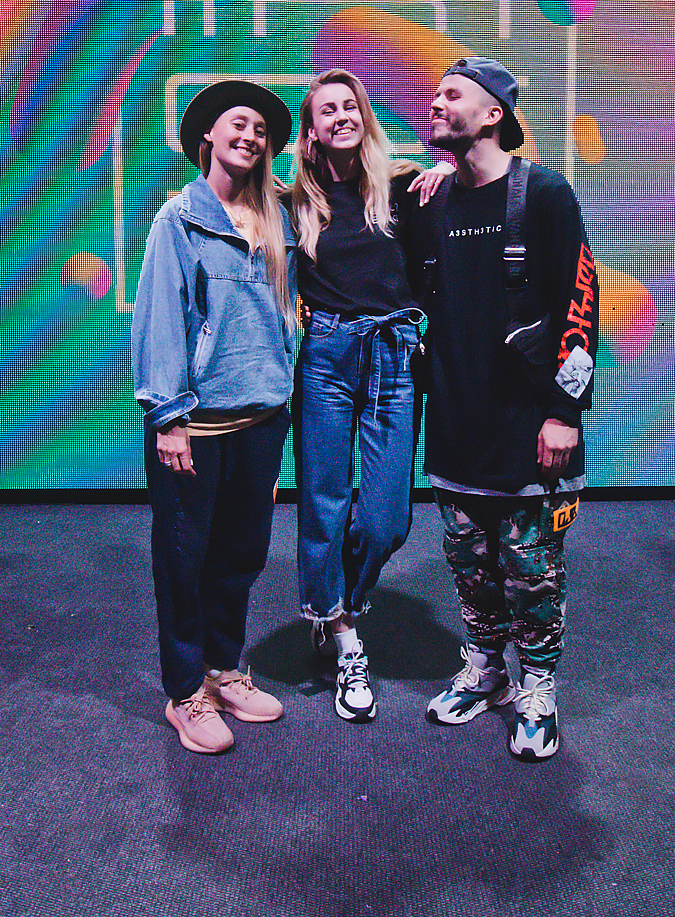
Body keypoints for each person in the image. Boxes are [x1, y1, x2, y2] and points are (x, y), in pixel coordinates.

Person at [414, 56, 599, 760]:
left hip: (531, 429)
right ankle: (487, 670)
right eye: (435, 94)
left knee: (532, 571)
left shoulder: (544, 194)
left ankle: (538, 687)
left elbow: (580, 301)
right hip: (455, 427)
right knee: (470, 566)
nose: (436, 103)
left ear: (494, 114)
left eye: (451, 94)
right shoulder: (432, 202)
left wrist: (564, 413)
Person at [131, 80, 297, 755]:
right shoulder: (179, 219)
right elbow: (159, 319)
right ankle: (185, 693)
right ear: (208, 134)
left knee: (240, 556)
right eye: (239, 123)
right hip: (195, 426)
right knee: (183, 562)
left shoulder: (279, 220)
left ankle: (224, 669)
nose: (250, 136)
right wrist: (168, 416)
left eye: (260, 129)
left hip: (262, 419)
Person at [286, 69, 449, 722]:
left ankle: (336, 604)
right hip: (327, 355)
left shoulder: (403, 186)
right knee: (323, 502)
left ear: (364, 116)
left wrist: (446, 173)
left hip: (393, 354)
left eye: (349, 105)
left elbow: (476, 191)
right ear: (312, 131)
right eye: (327, 109)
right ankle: (344, 634)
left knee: (387, 520)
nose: (341, 116)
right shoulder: (295, 201)